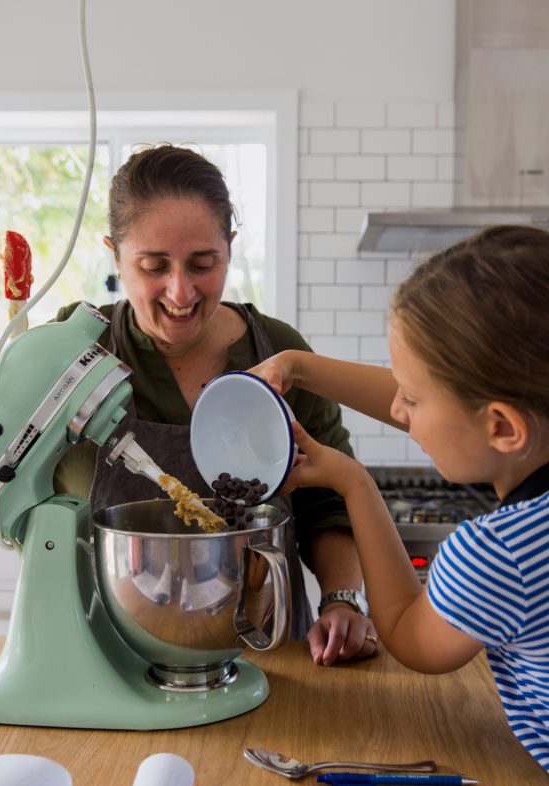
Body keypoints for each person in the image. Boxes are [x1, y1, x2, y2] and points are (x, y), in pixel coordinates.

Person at [53, 143, 378, 664]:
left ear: (230, 248)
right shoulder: (72, 351)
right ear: (114, 255)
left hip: (266, 653)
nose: (180, 293)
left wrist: (342, 600)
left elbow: (327, 505)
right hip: (106, 657)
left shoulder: (280, 353)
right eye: (153, 266)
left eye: (203, 263)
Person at [250, 225, 549, 772]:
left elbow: (411, 638)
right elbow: (445, 396)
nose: (397, 411)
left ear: (504, 428)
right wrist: (298, 367)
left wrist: (354, 483)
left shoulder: (498, 553)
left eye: (411, 397)